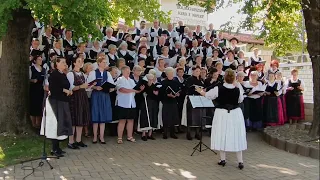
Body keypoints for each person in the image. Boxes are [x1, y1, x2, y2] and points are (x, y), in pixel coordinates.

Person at [195, 69, 247, 170]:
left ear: (224, 78)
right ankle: (240, 161)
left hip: (222, 113)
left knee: (222, 134)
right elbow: (240, 99)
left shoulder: (218, 88)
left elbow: (208, 95)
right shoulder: (237, 89)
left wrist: (199, 91)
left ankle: (223, 160)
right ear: (234, 78)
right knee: (236, 135)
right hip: (235, 113)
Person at [40, 57, 73, 157]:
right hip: (55, 102)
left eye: (65, 62)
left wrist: (68, 91)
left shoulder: (62, 74)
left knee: (61, 123)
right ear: (57, 64)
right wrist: (64, 90)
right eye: (62, 62)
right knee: (55, 123)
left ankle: (57, 147)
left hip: (62, 101)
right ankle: (54, 148)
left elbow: (66, 85)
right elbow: (54, 89)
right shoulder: (54, 74)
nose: (65, 64)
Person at [88, 57, 115, 144]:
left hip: (105, 95)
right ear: (99, 63)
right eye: (103, 62)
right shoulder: (93, 73)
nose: (104, 64)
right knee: (96, 114)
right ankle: (95, 137)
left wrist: (110, 89)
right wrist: (95, 87)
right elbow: (88, 85)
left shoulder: (108, 73)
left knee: (103, 115)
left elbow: (112, 85)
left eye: (105, 62)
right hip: (96, 95)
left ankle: (102, 137)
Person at [116, 66, 145, 144]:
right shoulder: (120, 79)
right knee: (122, 120)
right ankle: (119, 137)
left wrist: (140, 90)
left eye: (129, 71)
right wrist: (132, 90)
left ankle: (130, 136)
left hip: (132, 103)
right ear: (123, 71)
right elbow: (121, 89)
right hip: (123, 103)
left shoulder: (131, 80)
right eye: (126, 71)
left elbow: (136, 90)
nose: (128, 72)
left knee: (131, 120)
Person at [66, 57, 91, 149]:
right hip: (74, 99)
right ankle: (71, 141)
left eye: (82, 61)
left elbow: (85, 87)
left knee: (81, 119)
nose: (81, 63)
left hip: (82, 97)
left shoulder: (82, 74)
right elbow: (71, 88)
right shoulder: (70, 74)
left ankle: (79, 140)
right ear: (74, 63)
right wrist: (81, 86)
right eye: (79, 61)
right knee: (74, 120)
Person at [183, 66, 206, 140]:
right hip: (191, 98)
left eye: (199, 71)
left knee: (199, 116)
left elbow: (203, 87)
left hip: (199, 98)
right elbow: (186, 88)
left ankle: (197, 133)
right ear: (193, 72)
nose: (198, 73)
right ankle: (188, 133)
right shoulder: (189, 79)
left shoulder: (201, 80)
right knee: (190, 116)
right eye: (196, 71)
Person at [160, 67, 180, 139]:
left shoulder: (176, 82)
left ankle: (172, 133)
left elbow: (179, 90)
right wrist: (167, 95)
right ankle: (165, 133)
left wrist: (177, 94)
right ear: (166, 74)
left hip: (174, 101)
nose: (170, 75)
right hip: (166, 102)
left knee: (173, 117)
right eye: (169, 73)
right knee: (166, 117)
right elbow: (161, 93)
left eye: (172, 73)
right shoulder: (163, 83)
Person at [138, 73, 159, 141]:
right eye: (149, 80)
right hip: (145, 103)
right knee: (145, 117)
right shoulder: (144, 86)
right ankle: (143, 134)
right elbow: (139, 94)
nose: (150, 81)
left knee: (153, 117)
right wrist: (142, 92)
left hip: (153, 104)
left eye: (152, 80)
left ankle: (150, 133)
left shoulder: (155, 86)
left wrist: (156, 94)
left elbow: (158, 96)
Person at [29, 56, 46, 128]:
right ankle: (33, 123)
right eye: (39, 59)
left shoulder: (44, 69)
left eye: (41, 59)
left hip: (41, 90)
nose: (40, 61)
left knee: (40, 106)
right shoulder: (31, 69)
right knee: (33, 106)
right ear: (35, 61)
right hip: (34, 89)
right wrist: (32, 80)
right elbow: (28, 78)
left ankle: (38, 124)